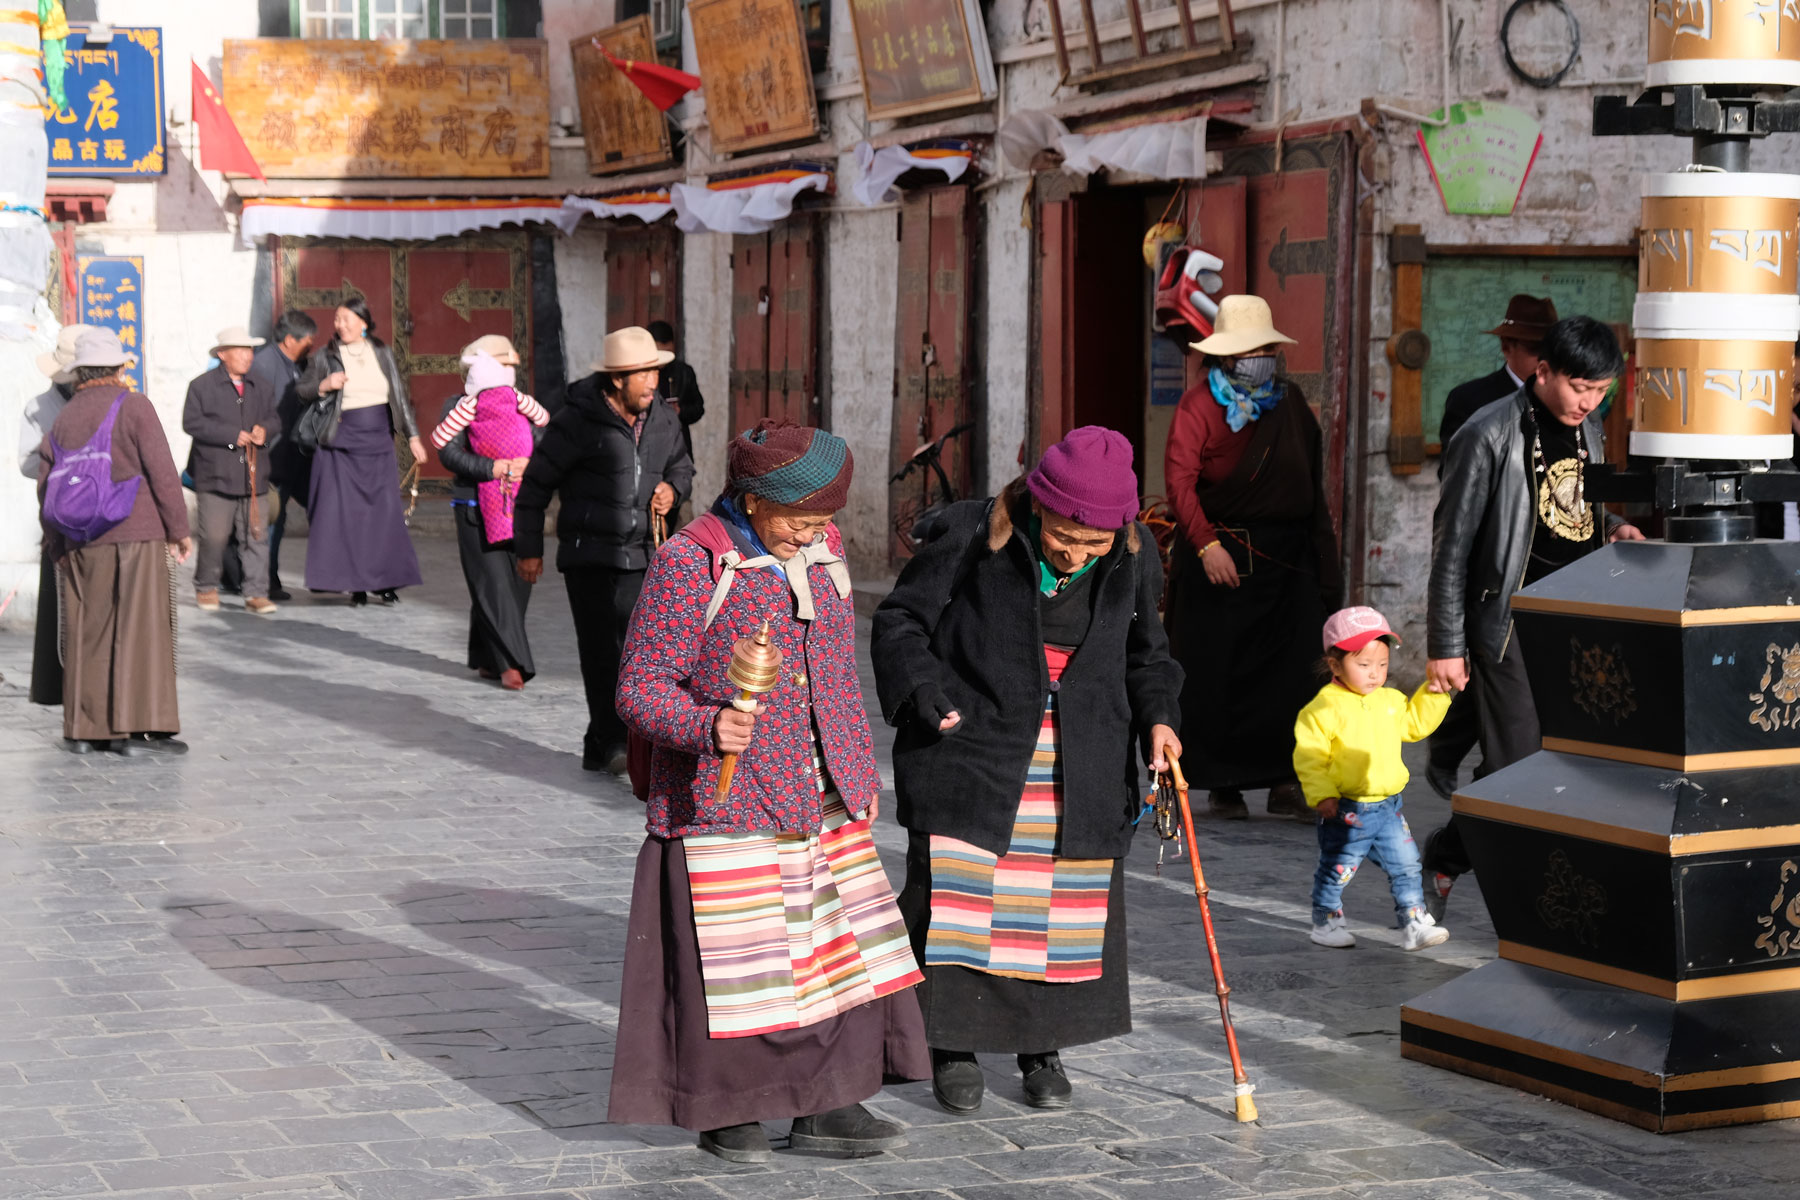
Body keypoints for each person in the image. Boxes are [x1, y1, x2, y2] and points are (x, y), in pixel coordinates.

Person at [609, 421, 927, 1162]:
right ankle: (731, 1108)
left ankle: (829, 1103)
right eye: (797, 521)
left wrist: (855, 768)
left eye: (822, 523)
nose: (809, 536)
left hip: (821, 792)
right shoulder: (692, 563)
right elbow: (639, 690)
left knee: (832, 949)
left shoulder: (825, 553)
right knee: (744, 961)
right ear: (750, 500)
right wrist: (708, 724)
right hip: (727, 800)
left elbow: (838, 673)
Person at [873, 426, 1184, 1115]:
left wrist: (1161, 719)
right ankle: (949, 1042)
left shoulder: (1134, 554)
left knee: (1056, 906)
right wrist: (925, 692)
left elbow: (1148, 656)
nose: (1074, 555)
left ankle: (1040, 1043)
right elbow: (900, 623)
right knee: (964, 900)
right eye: (1063, 537)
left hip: (1083, 759)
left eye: (1091, 545)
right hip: (974, 749)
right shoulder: (972, 535)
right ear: (1039, 504)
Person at [1425, 316, 1645, 918]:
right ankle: (1520, 905)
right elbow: (1451, 549)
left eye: (1602, 390)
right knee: (1519, 767)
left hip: (1577, 620)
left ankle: (1452, 852)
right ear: (1541, 370)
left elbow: (1574, 511)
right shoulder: (1487, 434)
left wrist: (1613, 527)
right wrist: (1446, 643)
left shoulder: (1590, 428)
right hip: (1509, 624)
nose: (1590, 401)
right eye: (1579, 387)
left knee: (1567, 764)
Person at [1163, 294, 1340, 821]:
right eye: (1249, 349)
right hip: (1220, 557)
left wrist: (1323, 568)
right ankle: (1224, 784)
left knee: (1292, 677)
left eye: (1266, 347)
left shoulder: (1290, 405)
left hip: (1287, 564)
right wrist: (1207, 544)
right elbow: (1179, 483)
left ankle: (1288, 779)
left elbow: (1313, 488)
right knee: (1220, 676)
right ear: (1226, 356)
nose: (1260, 356)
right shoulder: (1198, 407)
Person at [514, 326, 693, 773]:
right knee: (600, 651)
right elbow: (536, 485)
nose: (653, 381)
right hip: (588, 555)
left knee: (638, 651)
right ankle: (612, 740)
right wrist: (528, 548)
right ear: (617, 379)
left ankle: (603, 741)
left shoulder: (664, 420)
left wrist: (673, 488)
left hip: (641, 554)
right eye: (644, 373)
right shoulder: (576, 421)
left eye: (655, 371)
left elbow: (683, 466)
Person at [1424, 295, 1558, 803]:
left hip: (1541, 571)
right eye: (1533, 349)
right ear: (1508, 348)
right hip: (1491, 561)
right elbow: (1457, 492)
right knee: (1488, 686)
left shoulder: (1571, 408)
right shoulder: (1474, 403)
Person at [36, 329, 192, 755]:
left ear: (79, 372)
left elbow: (44, 484)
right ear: (120, 368)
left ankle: (84, 731)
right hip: (134, 532)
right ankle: (133, 730)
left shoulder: (64, 418)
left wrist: (55, 544)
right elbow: (162, 471)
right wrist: (179, 530)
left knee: (88, 631)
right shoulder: (134, 406)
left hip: (79, 540)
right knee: (139, 630)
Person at [1295, 606, 1451, 952]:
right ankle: (1326, 919)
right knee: (1339, 869)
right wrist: (1322, 795)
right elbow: (1309, 756)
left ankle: (1412, 921)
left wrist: (1435, 693)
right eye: (1363, 665)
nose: (1374, 674)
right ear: (1335, 665)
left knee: (1407, 864)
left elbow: (1415, 726)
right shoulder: (1322, 709)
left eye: (1382, 664)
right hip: (1346, 809)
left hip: (1388, 808)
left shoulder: (1391, 701)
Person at [431, 340, 545, 690]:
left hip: (519, 505)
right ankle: (513, 664)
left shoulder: (520, 404)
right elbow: (448, 453)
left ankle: (486, 657)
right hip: (475, 506)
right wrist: (490, 467)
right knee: (493, 585)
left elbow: (544, 437)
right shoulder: (461, 405)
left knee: (517, 584)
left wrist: (530, 462)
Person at [295, 298, 424, 606]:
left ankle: (385, 582)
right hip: (341, 443)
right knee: (349, 516)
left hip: (378, 441)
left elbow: (399, 396)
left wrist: (414, 437)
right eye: (337, 319)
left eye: (346, 318)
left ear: (363, 322)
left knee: (383, 514)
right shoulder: (325, 356)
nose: (340, 324)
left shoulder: (382, 352)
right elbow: (302, 390)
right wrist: (324, 384)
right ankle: (356, 585)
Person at [18, 323, 95, 707]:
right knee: (57, 602)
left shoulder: (112, 402)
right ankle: (54, 685)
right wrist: (64, 461)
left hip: (101, 519)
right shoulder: (39, 407)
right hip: (58, 514)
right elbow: (27, 462)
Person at [184, 326, 280, 616]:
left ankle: (256, 592)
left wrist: (266, 430)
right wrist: (230, 434)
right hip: (215, 475)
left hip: (253, 475)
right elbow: (192, 423)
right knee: (214, 536)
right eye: (240, 350)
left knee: (256, 535)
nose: (246, 356)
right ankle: (206, 585)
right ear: (223, 355)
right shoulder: (201, 386)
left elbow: (275, 419)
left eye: (249, 350)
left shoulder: (261, 385)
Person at [252, 310, 316, 602]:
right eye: (307, 341)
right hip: (273, 458)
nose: (310, 346)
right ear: (291, 339)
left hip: (295, 456)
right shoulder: (265, 364)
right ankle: (266, 580)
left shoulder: (295, 364)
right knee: (273, 521)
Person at [649, 319, 705, 458]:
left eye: (666, 351)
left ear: (673, 346)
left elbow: (698, 408)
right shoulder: (641, 374)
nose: (662, 358)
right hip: (649, 446)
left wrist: (680, 411)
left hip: (678, 446)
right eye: (658, 352)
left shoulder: (684, 372)